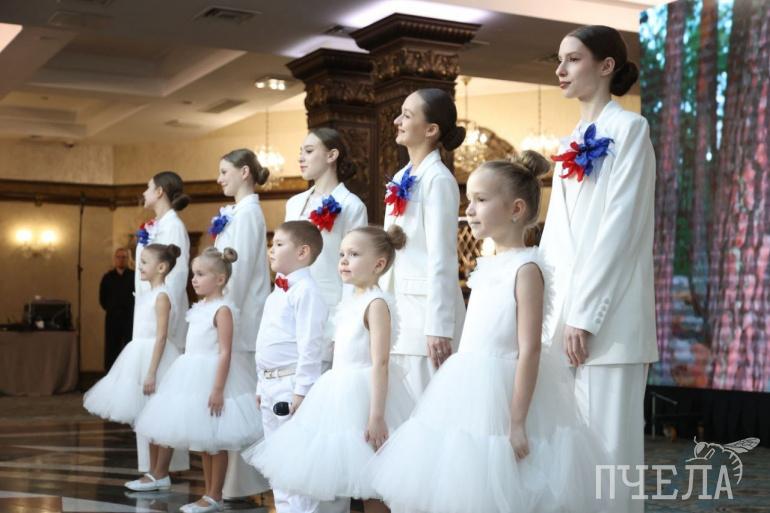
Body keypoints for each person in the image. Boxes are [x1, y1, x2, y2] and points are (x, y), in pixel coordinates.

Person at [367, 153, 608, 513]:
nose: (469, 210)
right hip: (468, 388)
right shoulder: (488, 264)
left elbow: (529, 349)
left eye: (481, 200)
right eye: (469, 200)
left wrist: (517, 422)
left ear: (516, 209)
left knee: (508, 485)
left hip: (507, 393)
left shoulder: (526, 269)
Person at [540, 25, 658, 513]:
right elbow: (555, 235)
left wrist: (585, 315)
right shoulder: (570, 139)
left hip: (610, 323)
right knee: (567, 454)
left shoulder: (631, 129)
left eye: (572, 59)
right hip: (562, 320)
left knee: (610, 456)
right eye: (559, 59)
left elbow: (620, 229)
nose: (560, 69)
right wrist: (543, 308)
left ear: (606, 65)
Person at [244, 225, 413, 513]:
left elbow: (380, 362)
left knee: (373, 483)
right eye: (342, 254)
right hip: (338, 395)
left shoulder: (376, 304)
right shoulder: (351, 301)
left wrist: (376, 416)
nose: (344, 260)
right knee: (351, 478)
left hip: (365, 397)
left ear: (378, 264)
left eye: (354, 254)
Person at [135, 247, 262, 513]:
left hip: (215, 379)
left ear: (220, 279)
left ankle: (215, 494)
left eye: (201, 274)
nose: (194, 279)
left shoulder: (222, 310)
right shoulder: (200, 307)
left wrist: (218, 389)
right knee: (205, 441)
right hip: (192, 376)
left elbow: (225, 352)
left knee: (217, 442)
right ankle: (209, 493)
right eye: (193, 274)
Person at [380, 88, 466, 401]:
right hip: (396, 313)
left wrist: (439, 326)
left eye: (406, 115)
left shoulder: (438, 179)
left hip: (424, 318)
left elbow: (443, 257)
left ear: (431, 130)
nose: (396, 121)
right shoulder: (401, 176)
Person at [253, 220, 328, 513]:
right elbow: (266, 343)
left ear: (302, 252)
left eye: (278, 244)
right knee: (278, 464)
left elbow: (310, 345)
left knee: (296, 464)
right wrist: (260, 384)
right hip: (270, 384)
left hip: (290, 385)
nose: (271, 250)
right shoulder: (278, 291)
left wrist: (302, 391)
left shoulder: (306, 290)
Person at [211, 148, 272, 498]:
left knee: (241, 400)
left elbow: (241, 272)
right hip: (229, 312)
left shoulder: (249, 214)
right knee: (234, 399)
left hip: (241, 317)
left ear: (244, 172)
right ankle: (233, 484)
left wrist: (223, 314)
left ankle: (243, 483)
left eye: (225, 172)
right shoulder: (236, 212)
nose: (219, 179)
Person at [286, 128, 368, 365]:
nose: (301, 158)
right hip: (291, 307)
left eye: (309, 151)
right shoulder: (294, 203)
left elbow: (355, 271)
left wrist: (343, 324)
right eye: (300, 151)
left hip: (327, 310)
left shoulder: (351, 205)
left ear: (332, 155)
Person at [133, 170, 191, 475]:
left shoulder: (174, 227)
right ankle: (149, 467)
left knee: (160, 398)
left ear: (159, 192)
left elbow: (176, 280)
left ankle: (161, 470)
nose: (144, 193)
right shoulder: (154, 226)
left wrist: (164, 325)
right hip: (144, 317)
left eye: (148, 187)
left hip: (160, 324)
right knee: (144, 400)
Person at [85, 244, 181, 424]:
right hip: (139, 353)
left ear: (161, 267)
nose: (139, 266)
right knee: (144, 414)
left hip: (154, 356)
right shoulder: (151, 294)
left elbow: (161, 336)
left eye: (144, 262)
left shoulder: (161, 297)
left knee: (156, 413)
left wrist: (151, 372)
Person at [99, 247, 135, 371]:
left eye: (124, 257)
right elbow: (102, 299)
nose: (121, 260)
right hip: (113, 318)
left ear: (128, 259)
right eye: (118, 257)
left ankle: (129, 372)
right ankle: (110, 374)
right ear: (115, 259)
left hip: (130, 318)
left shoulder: (134, 276)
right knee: (112, 347)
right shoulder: (107, 277)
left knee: (129, 346)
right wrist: (112, 308)